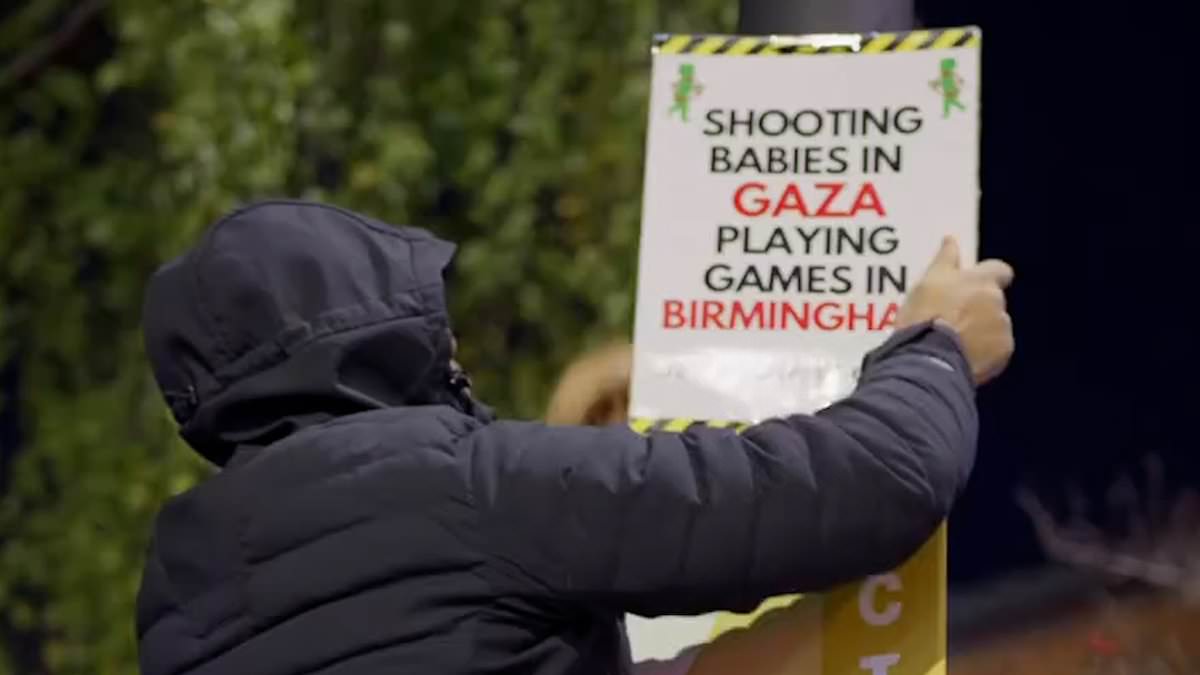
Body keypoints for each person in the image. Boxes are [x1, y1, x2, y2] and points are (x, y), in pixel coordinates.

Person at [136, 199, 1013, 675]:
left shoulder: (182, 593)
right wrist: (935, 347)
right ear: (386, 334)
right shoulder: (465, 489)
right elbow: (870, 481)